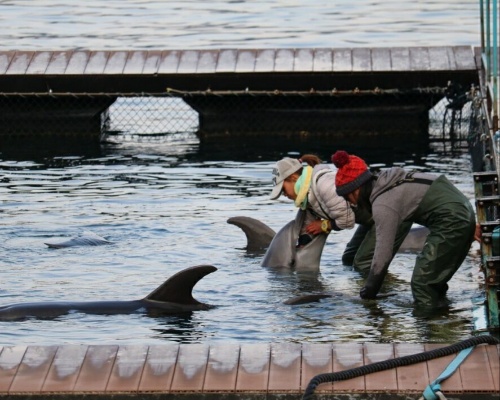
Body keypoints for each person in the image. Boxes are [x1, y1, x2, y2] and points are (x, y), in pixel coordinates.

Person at [331, 150, 477, 308]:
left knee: (423, 283)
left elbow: (382, 255)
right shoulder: (386, 180)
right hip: (462, 209)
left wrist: (370, 290)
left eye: (347, 197)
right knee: (434, 282)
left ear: (356, 189)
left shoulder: (383, 204)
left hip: (452, 219)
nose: (351, 203)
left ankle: (436, 329)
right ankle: (445, 315)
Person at [269, 154, 355, 246]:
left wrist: (323, 225)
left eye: (283, 189)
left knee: (361, 260)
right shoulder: (308, 197)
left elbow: (347, 220)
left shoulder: (323, 185)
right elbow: (308, 225)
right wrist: (302, 243)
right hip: (366, 220)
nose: (284, 195)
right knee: (349, 256)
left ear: (293, 178)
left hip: (371, 213)